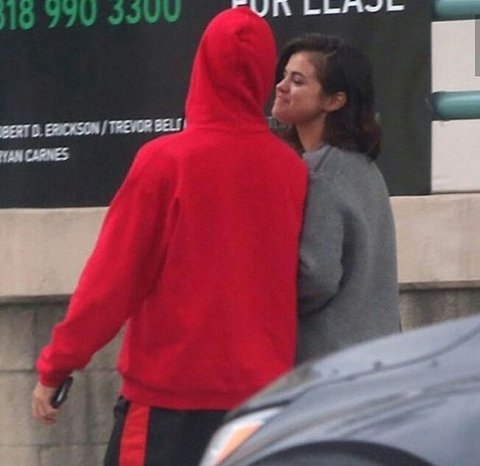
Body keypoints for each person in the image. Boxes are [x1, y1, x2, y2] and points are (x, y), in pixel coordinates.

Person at [31, 8, 307, 466]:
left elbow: (112, 280)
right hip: (260, 404)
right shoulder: (290, 170)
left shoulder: (166, 162)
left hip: (169, 403)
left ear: (202, 68)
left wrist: (57, 365)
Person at [272, 33, 400, 364]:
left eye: (297, 81)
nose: (281, 87)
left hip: (330, 362)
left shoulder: (321, 171)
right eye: (283, 76)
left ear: (334, 101)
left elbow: (316, 277)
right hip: (378, 356)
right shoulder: (364, 167)